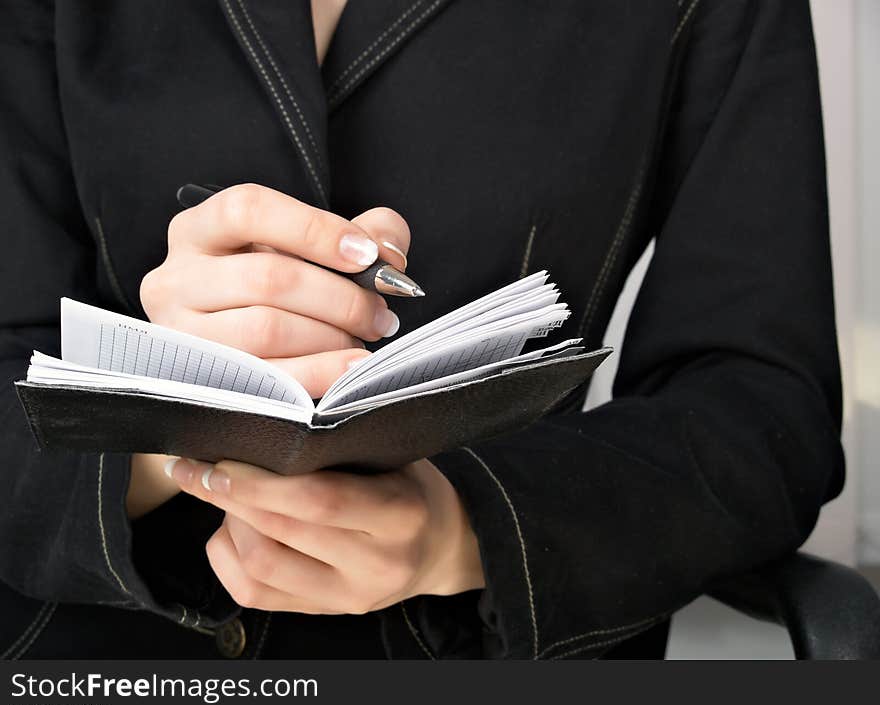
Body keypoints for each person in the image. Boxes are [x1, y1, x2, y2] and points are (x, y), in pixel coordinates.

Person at [0, 0, 844, 659]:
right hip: (89, 662)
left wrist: (470, 530)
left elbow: (765, 406)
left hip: (470, 656)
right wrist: (163, 430)